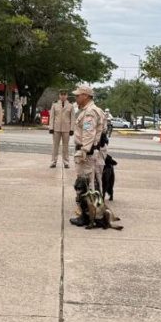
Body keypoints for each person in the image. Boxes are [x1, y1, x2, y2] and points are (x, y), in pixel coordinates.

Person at [70, 84, 108, 226]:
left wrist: (84, 151)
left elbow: (88, 134)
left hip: (86, 152)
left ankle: (87, 216)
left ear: (86, 96)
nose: (76, 97)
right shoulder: (93, 110)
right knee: (91, 185)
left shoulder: (90, 112)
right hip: (91, 151)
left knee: (84, 185)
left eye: (78, 95)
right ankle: (97, 216)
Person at [49, 89, 75, 169]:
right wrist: (51, 127)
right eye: (61, 94)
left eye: (64, 94)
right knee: (55, 146)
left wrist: (72, 129)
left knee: (66, 146)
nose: (63, 96)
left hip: (66, 129)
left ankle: (66, 162)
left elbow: (73, 118)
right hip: (56, 128)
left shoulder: (70, 106)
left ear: (67, 96)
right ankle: (53, 162)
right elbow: (52, 117)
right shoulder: (54, 105)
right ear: (59, 95)